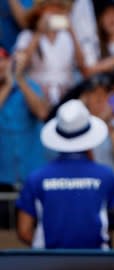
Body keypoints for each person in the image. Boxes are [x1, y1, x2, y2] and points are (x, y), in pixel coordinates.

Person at [16, 99, 114, 249]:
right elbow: (110, 224)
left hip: (48, 263)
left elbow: (24, 231)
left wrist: (44, 249)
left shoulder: (36, 178)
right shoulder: (106, 175)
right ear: (90, 134)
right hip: (96, 261)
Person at [0, 47, 48, 190]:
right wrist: (7, 86)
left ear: (10, 62)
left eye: (3, 60)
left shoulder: (29, 85)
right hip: (3, 177)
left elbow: (42, 113)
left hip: (31, 173)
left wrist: (19, 79)